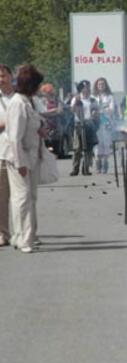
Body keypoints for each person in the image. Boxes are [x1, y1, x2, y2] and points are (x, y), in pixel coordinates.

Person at [4, 65, 44, 253]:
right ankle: (24, 239)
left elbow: (33, 124)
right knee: (23, 198)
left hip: (32, 155)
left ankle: (22, 236)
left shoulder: (28, 102)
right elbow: (14, 137)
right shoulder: (18, 103)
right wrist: (20, 162)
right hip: (21, 157)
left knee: (29, 197)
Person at [70, 80, 99, 176]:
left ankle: (86, 168)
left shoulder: (93, 100)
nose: (86, 90)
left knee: (89, 148)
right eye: (84, 88)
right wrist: (76, 103)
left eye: (87, 88)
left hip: (89, 124)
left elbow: (97, 112)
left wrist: (95, 114)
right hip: (79, 124)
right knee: (77, 148)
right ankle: (75, 169)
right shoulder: (76, 99)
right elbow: (72, 110)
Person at [0, 63, 15, 246]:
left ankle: (25, 232)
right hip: (1, 152)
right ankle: (3, 233)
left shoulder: (21, 98)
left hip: (20, 154)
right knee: (1, 197)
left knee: (23, 197)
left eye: (3, 75)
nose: (1, 80)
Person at [93, 77, 118, 174]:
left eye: (103, 84)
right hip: (96, 123)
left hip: (106, 122)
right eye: (99, 84)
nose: (101, 86)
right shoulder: (93, 97)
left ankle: (105, 163)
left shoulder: (109, 96)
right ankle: (98, 163)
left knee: (106, 142)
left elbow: (111, 109)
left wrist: (102, 109)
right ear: (96, 86)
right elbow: (92, 109)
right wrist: (102, 108)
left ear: (105, 85)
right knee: (97, 143)